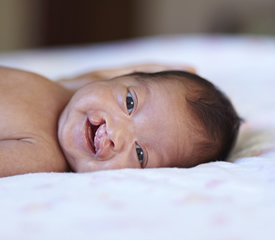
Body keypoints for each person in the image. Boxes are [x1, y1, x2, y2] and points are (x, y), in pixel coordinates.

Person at [0, 64, 241, 177]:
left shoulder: (42, 156)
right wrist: (150, 66)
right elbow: (99, 77)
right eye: (129, 103)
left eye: (140, 154)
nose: (117, 132)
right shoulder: (69, 89)